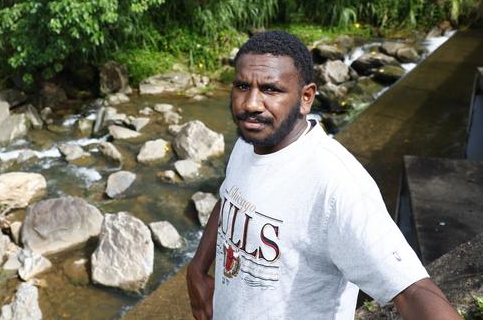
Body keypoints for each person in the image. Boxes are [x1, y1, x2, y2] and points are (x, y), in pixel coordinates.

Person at [186, 30, 460, 319]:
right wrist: (197, 268)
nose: (251, 103)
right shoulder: (249, 142)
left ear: (306, 98)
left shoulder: (336, 185)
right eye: (243, 86)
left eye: (271, 89)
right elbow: (231, 196)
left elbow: (412, 290)